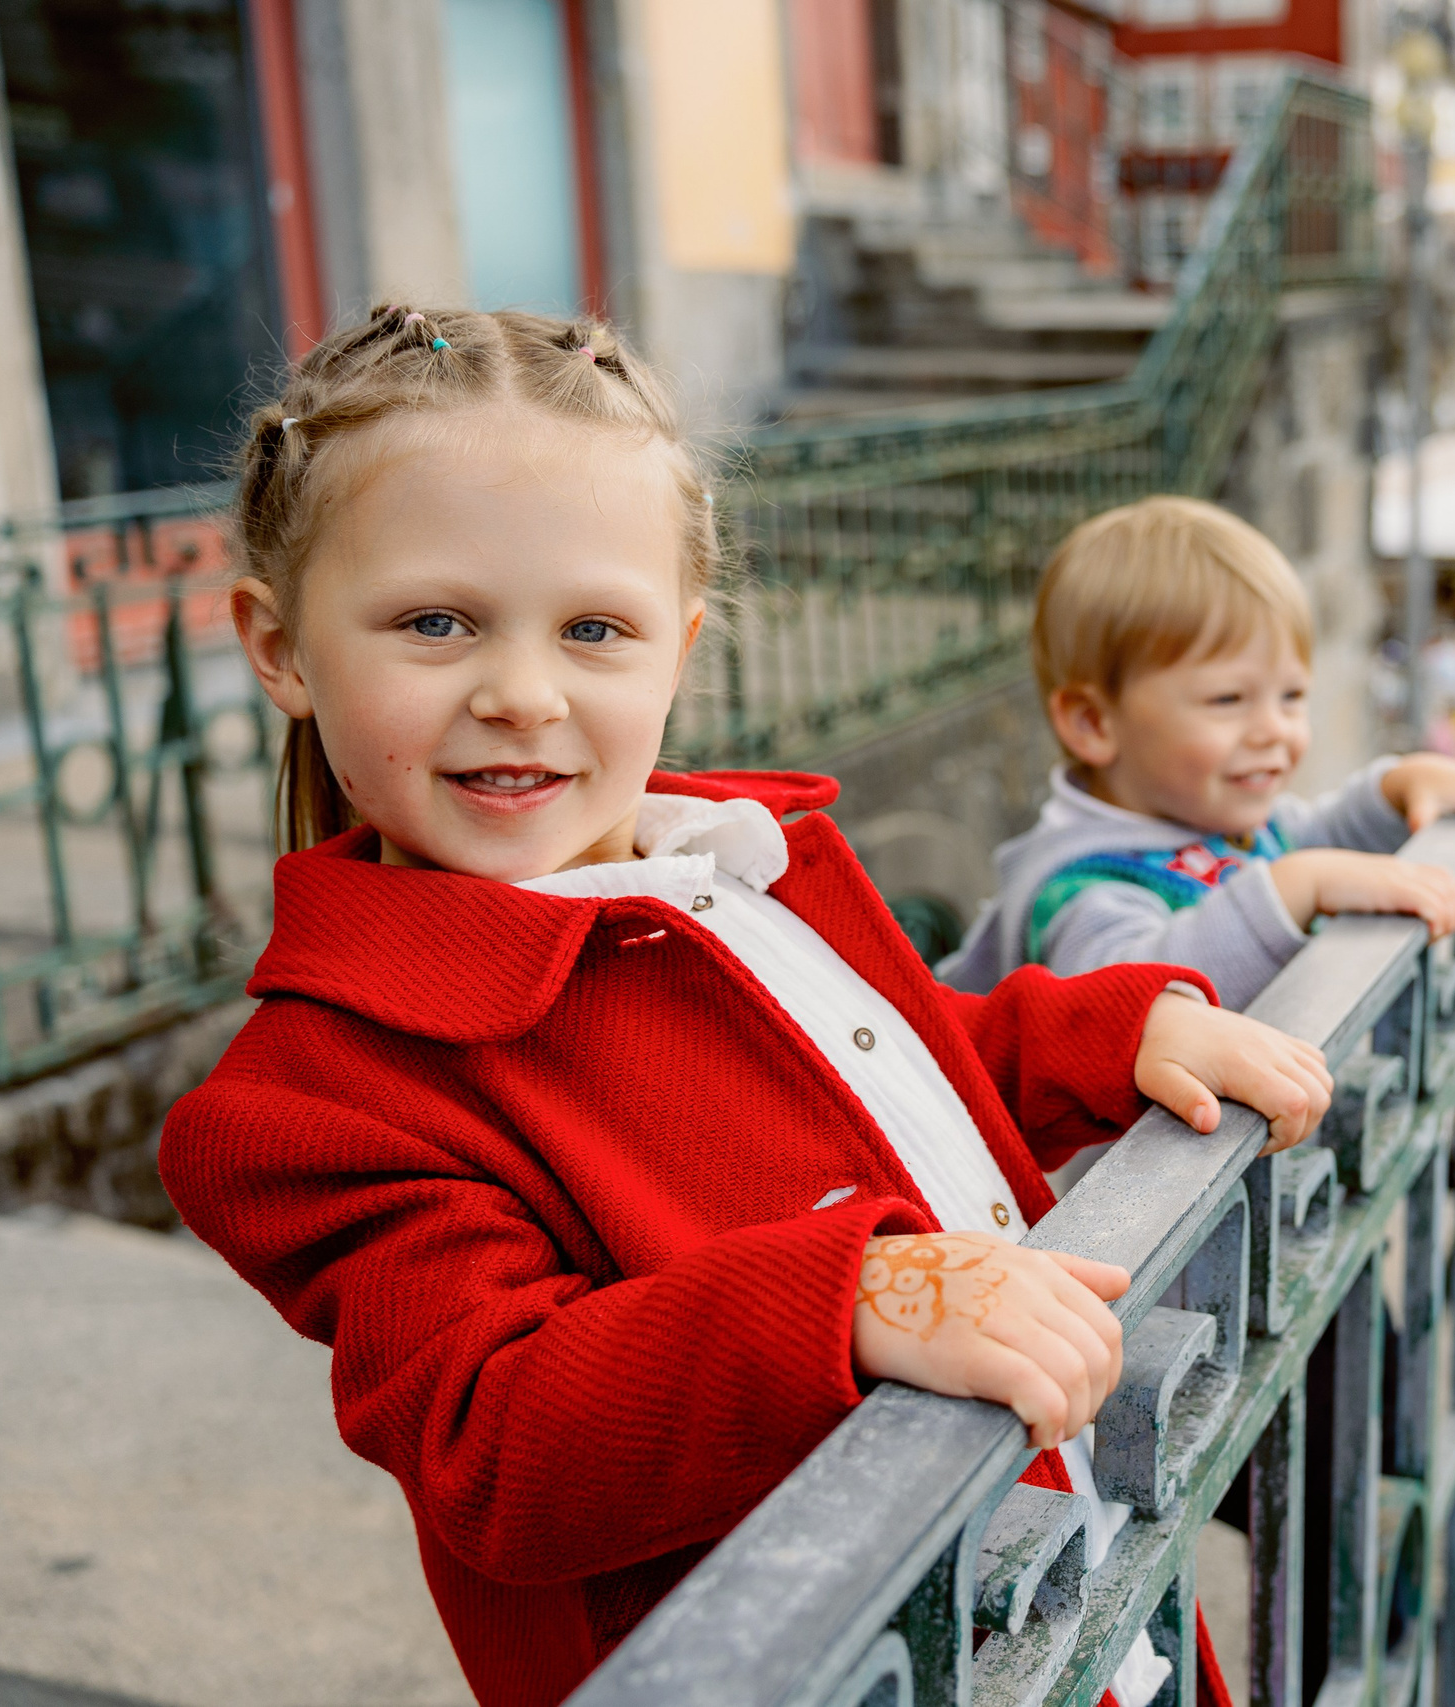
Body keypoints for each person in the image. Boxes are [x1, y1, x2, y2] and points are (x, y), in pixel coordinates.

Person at [155, 308, 1330, 1707]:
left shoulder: (738, 866)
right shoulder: (311, 1098)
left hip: (1062, 1581)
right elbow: (496, 1436)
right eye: (435, 623)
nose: (522, 693)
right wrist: (844, 1301)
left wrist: (1108, 1036)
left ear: (681, 647)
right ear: (281, 646)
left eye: (595, 629)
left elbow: (903, 1071)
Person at [938, 498, 1455, 1010]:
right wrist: (1293, 889)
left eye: (1292, 696)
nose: (1273, 730)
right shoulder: (1077, 891)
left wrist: (1397, 792)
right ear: (1093, 723)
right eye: (1228, 699)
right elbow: (1124, 1004)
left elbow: (1312, 838)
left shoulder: (1214, 817)